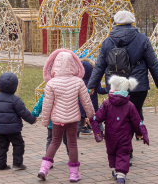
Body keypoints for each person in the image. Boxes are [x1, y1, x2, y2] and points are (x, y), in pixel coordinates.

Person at [87, 10, 158, 133]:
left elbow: (99, 66)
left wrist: (92, 85)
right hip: (138, 86)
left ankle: (122, 145)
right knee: (132, 115)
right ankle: (128, 143)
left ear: (116, 22)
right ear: (132, 22)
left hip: (115, 86)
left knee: (119, 116)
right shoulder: (142, 39)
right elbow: (153, 63)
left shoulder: (108, 41)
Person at [37, 49, 95, 182]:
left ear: (55, 64)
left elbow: (47, 105)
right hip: (73, 119)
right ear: (74, 64)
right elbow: (87, 102)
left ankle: (43, 169)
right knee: (72, 144)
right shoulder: (78, 82)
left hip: (57, 119)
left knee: (54, 142)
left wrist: (45, 121)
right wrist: (92, 118)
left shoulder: (51, 83)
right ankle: (74, 174)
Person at [89, 75, 149, 183]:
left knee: (111, 152)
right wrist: (141, 132)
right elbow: (136, 120)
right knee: (124, 153)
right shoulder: (130, 105)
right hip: (125, 136)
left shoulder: (106, 104)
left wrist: (95, 126)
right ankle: (121, 174)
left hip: (110, 135)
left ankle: (114, 169)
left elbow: (97, 117)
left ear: (113, 88)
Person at [0, 72, 37, 171]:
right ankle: (17, 164)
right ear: (14, 86)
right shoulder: (15, 99)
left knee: (2, 145)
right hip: (12, 129)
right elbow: (23, 112)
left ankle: (0, 165)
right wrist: (32, 119)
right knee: (18, 144)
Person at [31, 92, 69, 166]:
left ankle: (48, 162)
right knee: (69, 141)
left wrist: (33, 115)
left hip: (53, 122)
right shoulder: (70, 87)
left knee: (51, 141)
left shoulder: (49, 89)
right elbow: (82, 93)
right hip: (67, 120)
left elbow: (40, 103)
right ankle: (71, 159)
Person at [77, 58, 107, 137]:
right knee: (96, 119)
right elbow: (100, 90)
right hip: (92, 105)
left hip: (80, 105)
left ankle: (76, 133)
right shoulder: (94, 81)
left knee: (79, 120)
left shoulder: (77, 81)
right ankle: (100, 133)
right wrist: (108, 89)